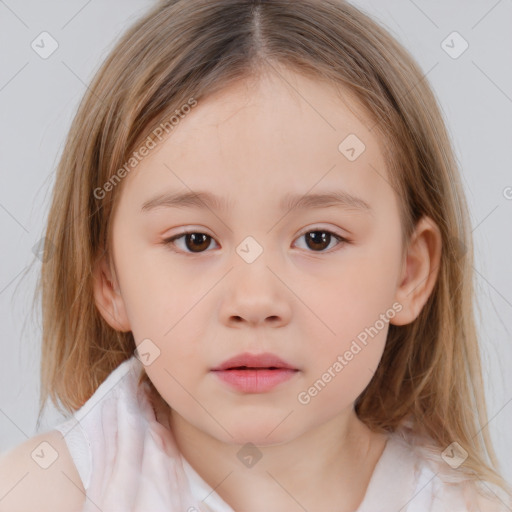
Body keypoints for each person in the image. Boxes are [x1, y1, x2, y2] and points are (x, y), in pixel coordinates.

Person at [1, 0, 510, 510]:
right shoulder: (39, 494)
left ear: (410, 274)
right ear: (109, 279)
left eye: (318, 239)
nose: (255, 300)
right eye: (194, 240)